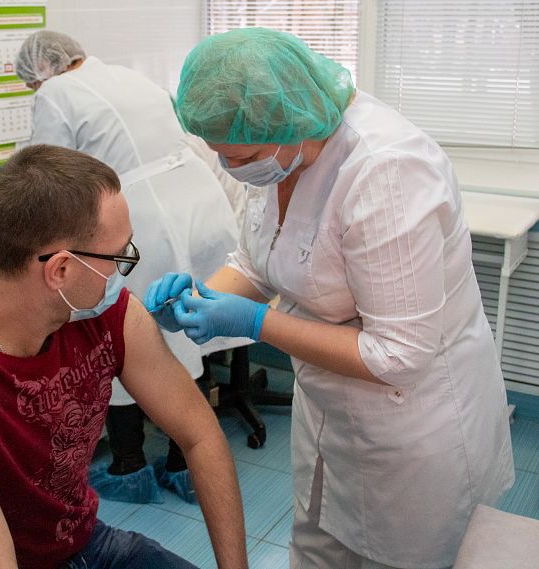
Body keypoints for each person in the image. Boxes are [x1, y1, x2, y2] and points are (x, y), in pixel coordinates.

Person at [145, 28, 515, 569]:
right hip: (327, 412)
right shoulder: (279, 154)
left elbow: (399, 355)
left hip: (408, 430)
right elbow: (258, 260)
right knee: (316, 547)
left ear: (288, 126)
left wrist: (256, 323)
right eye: (221, 156)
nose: (233, 169)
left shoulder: (387, 172)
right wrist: (199, 296)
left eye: (241, 156)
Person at [0, 144, 248, 569]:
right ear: (61, 271)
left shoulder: (103, 312)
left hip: (80, 543)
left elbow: (201, 437)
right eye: (118, 256)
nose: (123, 271)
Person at [14, 30, 244, 505]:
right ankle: (185, 467)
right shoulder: (126, 75)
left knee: (117, 334)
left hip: (143, 220)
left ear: (40, 72)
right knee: (187, 330)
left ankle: (128, 465)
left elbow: (47, 177)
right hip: (200, 206)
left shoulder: (56, 93)